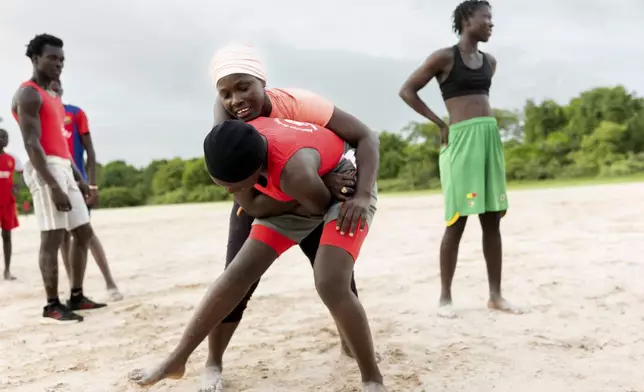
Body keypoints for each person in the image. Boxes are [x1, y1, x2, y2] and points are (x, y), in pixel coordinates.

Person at [129, 117, 387, 392]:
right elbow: (254, 206)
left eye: (234, 186)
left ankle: (372, 379)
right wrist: (274, 196)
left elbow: (317, 208)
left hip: (343, 189)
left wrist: (305, 192)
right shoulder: (236, 142)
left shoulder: (294, 172)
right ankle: (176, 360)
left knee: (330, 280)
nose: (229, 191)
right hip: (296, 193)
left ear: (257, 171)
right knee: (237, 273)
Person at [201, 44, 381, 391]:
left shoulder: (298, 104)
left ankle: (353, 345)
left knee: (335, 275)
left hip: (310, 188)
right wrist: (310, 188)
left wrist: (356, 192)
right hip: (266, 200)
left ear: (261, 83)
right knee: (237, 280)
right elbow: (251, 203)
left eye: (243, 87)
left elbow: (364, 136)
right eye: (226, 93)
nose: (236, 99)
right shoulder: (225, 123)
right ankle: (213, 362)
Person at [399, 0, 520, 318]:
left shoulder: (490, 61)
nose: (491, 24)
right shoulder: (444, 57)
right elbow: (408, 90)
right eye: (486, 18)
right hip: (461, 141)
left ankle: (495, 295)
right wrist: (440, 124)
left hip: (489, 138)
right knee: (457, 219)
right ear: (468, 19)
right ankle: (445, 298)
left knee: (492, 219)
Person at [11, 33, 106, 323]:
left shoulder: (53, 96)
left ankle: (75, 295)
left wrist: (81, 181)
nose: (59, 63)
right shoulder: (27, 94)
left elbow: (63, 147)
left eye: (62, 59)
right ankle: (51, 304)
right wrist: (53, 186)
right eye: (52, 57)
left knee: (84, 232)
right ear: (35, 58)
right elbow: (32, 144)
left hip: (64, 165)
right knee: (52, 238)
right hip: (44, 169)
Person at [49, 80, 123, 301]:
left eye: (56, 85)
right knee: (63, 237)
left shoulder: (75, 114)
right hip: (56, 182)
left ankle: (110, 282)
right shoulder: (43, 118)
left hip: (78, 181)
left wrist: (92, 184)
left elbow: (90, 152)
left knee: (86, 233)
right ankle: (76, 290)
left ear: (61, 89)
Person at [0, 129, 23, 280]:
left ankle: (7, 270)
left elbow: (22, 172)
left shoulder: (13, 158)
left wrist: (17, 186)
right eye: (1, 137)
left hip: (7, 202)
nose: (4, 139)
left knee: (7, 235)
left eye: (6, 137)